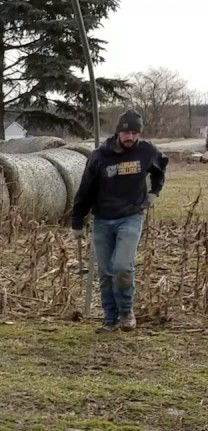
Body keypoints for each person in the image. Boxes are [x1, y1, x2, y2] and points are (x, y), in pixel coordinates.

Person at [70, 108, 169, 333]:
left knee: (122, 267)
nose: (131, 138)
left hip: (131, 217)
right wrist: (77, 221)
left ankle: (126, 313)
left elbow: (160, 168)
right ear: (118, 133)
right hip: (102, 219)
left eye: (135, 133)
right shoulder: (100, 156)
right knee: (105, 272)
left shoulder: (146, 151)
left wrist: (155, 191)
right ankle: (110, 319)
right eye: (127, 133)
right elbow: (85, 189)